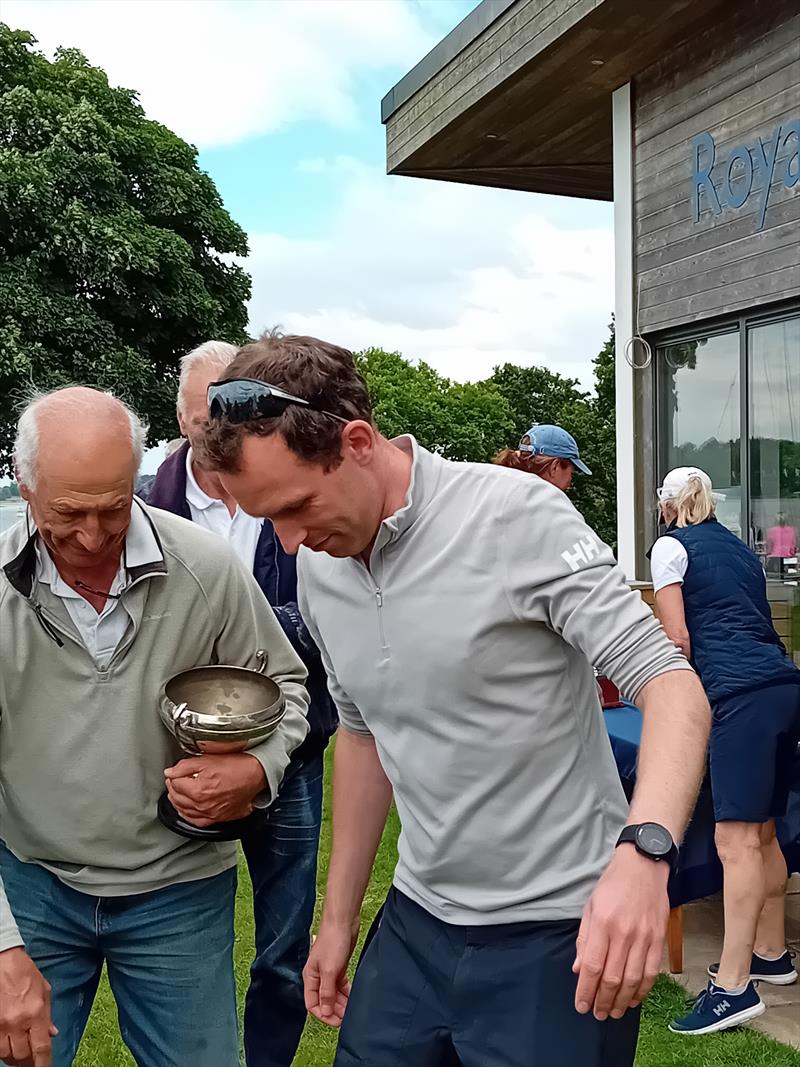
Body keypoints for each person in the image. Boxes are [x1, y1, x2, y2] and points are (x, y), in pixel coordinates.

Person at [197, 332, 712, 1067]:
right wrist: (339, 917)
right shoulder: (322, 564)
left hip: (558, 932)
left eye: (297, 505)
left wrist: (644, 853)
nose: (290, 541)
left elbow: (671, 684)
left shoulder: (517, 516)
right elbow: (363, 732)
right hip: (417, 919)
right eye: (266, 520)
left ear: (357, 440)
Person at [0, 387, 310, 1067]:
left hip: (179, 888)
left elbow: (288, 686)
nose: (91, 535)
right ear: (24, 485)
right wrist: (2, 944)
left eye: (112, 509)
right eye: (67, 512)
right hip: (32, 882)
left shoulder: (204, 566)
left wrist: (257, 767)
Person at [143, 340, 338, 1067]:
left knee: (284, 949)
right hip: (186, 754)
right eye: (200, 421)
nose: (214, 437)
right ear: (181, 415)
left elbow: (330, 608)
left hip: (293, 752)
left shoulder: (290, 481)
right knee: (182, 940)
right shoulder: (145, 504)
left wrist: (245, 632)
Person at [649, 466, 800, 1036]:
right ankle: (770, 952)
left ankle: (733, 988)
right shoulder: (741, 551)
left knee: (734, 841)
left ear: (667, 507)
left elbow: (677, 639)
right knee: (762, 833)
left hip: (738, 697)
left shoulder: (670, 547)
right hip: (785, 687)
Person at [493, 423, 592, 492]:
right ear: (555, 467)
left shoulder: (489, 486)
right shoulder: (551, 510)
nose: (569, 485)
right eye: (571, 474)